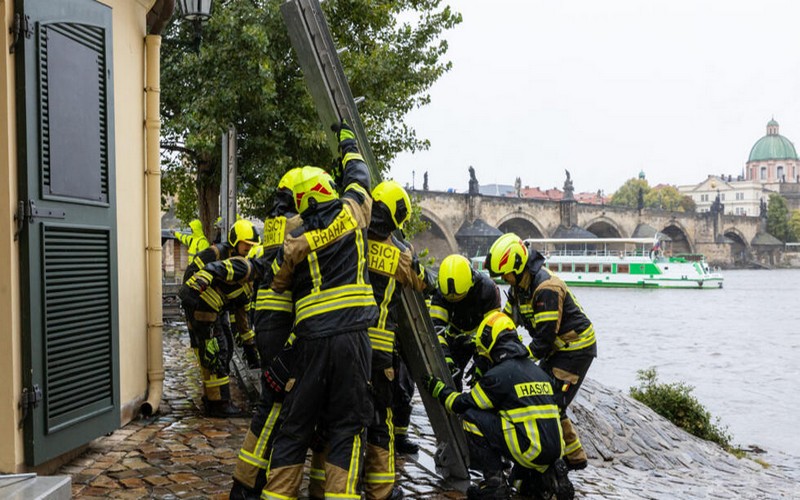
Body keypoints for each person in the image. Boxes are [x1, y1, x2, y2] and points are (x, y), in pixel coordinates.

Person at [261, 122, 377, 500]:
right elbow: (359, 176)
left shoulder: (292, 238)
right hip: (353, 341)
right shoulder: (353, 212)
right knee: (346, 427)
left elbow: (276, 282)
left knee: (295, 428)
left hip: (309, 344)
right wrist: (346, 141)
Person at [422, 311, 572, 500]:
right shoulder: (538, 371)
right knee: (521, 480)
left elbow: (463, 404)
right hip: (553, 450)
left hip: (529, 450)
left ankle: (495, 484)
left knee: (471, 418)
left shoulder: (500, 375)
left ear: (490, 341)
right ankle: (546, 478)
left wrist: (440, 390)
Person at [485, 233, 597, 471]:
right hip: (557, 349)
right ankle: (573, 455)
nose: (504, 279)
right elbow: (506, 320)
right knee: (545, 396)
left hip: (575, 350)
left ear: (517, 266)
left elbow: (544, 339)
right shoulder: (520, 286)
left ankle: (566, 458)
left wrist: (515, 359)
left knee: (553, 401)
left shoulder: (546, 288)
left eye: (505, 274)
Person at [229, 169, 303, 500]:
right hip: (283, 321)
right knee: (275, 406)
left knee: (269, 404)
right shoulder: (296, 224)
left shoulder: (274, 223)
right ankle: (249, 486)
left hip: (267, 321)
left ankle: (247, 480)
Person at [363, 180, 430, 500]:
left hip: (344, 340)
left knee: (338, 415)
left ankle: (330, 487)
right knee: (380, 420)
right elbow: (421, 282)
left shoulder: (352, 239)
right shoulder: (401, 253)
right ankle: (380, 489)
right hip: (379, 350)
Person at [179, 219, 262, 417]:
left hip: (216, 310)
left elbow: (241, 315)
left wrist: (249, 346)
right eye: (246, 245)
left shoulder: (245, 275)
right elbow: (196, 275)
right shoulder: (216, 254)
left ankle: (213, 398)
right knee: (216, 350)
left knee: (221, 349)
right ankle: (219, 403)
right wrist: (193, 300)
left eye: (251, 247)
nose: (248, 250)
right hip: (201, 305)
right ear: (235, 241)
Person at [430, 254, 500, 390]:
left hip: (481, 340)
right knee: (449, 377)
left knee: (487, 378)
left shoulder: (488, 289)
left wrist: (482, 361)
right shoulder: (441, 292)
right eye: (452, 301)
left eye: (460, 298)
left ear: (471, 283)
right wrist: (445, 356)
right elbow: (436, 329)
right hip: (454, 337)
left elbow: (493, 330)